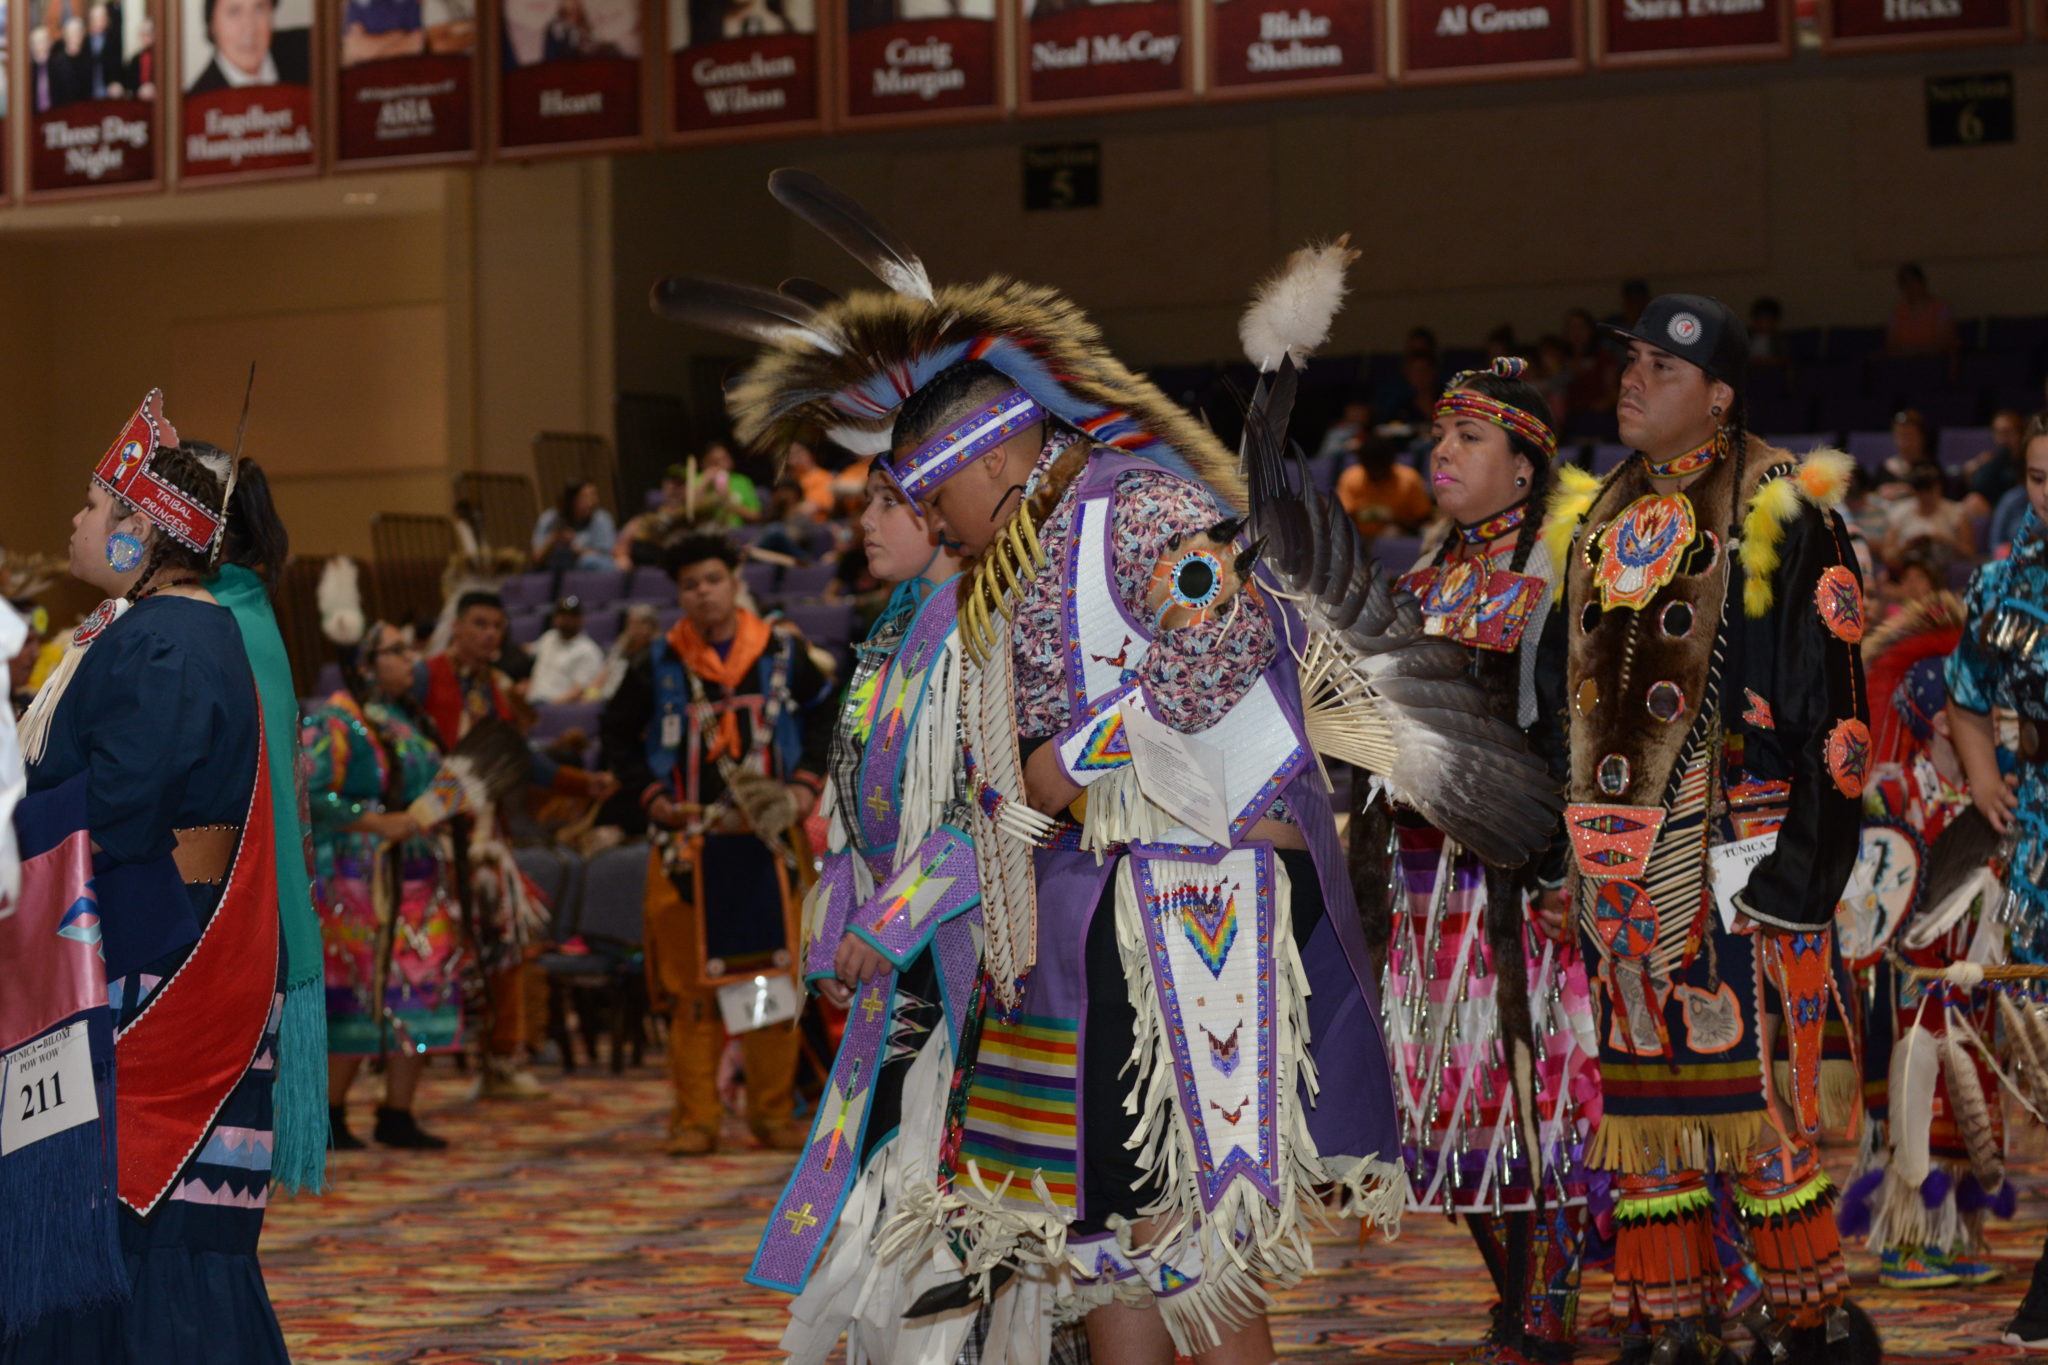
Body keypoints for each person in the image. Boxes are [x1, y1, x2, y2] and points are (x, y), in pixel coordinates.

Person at [650, 187, 1567, 1365]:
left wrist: (1068, 759)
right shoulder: (1021, 549)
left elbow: (1228, 632)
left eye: (933, 497)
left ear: (988, 459)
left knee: (1198, 1223)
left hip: (1192, 908)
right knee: (1092, 1231)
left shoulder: (1133, 511)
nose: (935, 523)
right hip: (1086, 911)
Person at [1546, 294, 1878, 1363]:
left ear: (1719, 394)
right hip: (1625, 868)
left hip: (1744, 857)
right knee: (1650, 1119)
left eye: (1660, 367)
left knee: (1761, 1115)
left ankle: (1807, 1324)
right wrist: (1562, 857)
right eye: (1627, 362)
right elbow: (1566, 700)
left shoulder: (1778, 505)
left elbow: (1836, 713)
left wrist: (1798, 874)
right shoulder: (1597, 514)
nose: (1630, 381)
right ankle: (1671, 1321)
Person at [3, 390, 301, 1360]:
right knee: (157, 1205)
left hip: (155, 942)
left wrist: (12, 826)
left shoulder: (165, 637)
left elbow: (124, 808)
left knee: (144, 1195)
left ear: (142, 531)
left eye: (94, 509)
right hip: (172, 925)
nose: (77, 526)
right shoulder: (184, 628)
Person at [1372, 359, 1596, 1364]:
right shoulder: (1409, 588)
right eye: (1438, 435)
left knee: (1530, 1094)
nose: (1444, 452)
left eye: (1468, 439)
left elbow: (1576, 739)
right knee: (1446, 1103)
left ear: (1522, 467)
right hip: (1420, 891)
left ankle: (1542, 1308)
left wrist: (1563, 869)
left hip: (1516, 885)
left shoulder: (1557, 578)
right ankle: (1514, 1295)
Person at [748, 464, 990, 1362]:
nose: (868, 521)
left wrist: (886, 925)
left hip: (960, 950)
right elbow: (854, 806)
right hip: (897, 956)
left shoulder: (979, 626)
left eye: (891, 502)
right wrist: (839, 928)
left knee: (936, 1164)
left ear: (943, 510)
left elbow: (984, 803)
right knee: (883, 1169)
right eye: (867, 502)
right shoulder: (887, 635)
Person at [600, 533, 834, 1156]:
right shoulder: (659, 662)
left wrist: (806, 785)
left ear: (734, 580)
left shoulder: (781, 652)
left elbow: (827, 715)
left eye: (711, 579)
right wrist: (648, 795)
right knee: (691, 990)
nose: (702, 593)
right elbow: (616, 736)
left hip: (763, 843)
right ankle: (696, 1119)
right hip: (688, 845)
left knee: (766, 984)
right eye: (689, 585)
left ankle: (768, 1112)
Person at [1840, 593, 2011, 1291]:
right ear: (1943, 717)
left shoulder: (1993, 795)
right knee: (1915, 1099)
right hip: (1910, 983)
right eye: (1983, 710)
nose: (1996, 722)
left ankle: (1953, 1234)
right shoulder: (1893, 789)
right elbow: (1869, 890)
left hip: (1972, 980)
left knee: (1969, 1104)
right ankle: (1909, 1237)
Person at [412, 590, 614, 1099]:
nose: (489, 634)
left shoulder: (497, 690)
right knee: (426, 947)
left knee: (504, 942)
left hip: (483, 836)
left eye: (497, 627)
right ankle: (401, 1055)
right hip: (425, 833)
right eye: (479, 623)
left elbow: (520, 759)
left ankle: (502, 1058)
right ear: (456, 627)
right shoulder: (424, 677)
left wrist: (578, 783)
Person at [305, 619, 464, 1151]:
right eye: (397, 651)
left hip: (417, 872)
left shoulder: (411, 721)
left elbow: (442, 786)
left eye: (411, 650)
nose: (412, 660)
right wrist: (375, 822)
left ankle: (398, 1112)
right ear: (367, 664)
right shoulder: (336, 722)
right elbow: (309, 791)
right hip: (355, 878)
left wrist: (440, 806)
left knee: (420, 985)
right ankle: (330, 1113)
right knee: (356, 989)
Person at [1957, 416, 2048, 1351]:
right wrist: (1982, 773)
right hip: (2044, 827)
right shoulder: (1999, 581)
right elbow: (1968, 693)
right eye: (2038, 477)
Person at [186, 0, 311, 91]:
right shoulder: (195, 105)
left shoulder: (312, 50)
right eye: (234, 11)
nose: (249, 28)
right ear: (212, 25)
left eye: (259, 8)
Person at [1336, 432, 1433, 540]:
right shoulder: (1351, 477)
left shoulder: (1409, 479)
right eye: (1371, 468)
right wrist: (1360, 515)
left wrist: (1394, 518)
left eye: (1380, 469)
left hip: (1398, 540)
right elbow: (1342, 518)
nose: (1376, 473)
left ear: (1390, 463)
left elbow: (1423, 519)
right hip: (1358, 539)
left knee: (1392, 532)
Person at [1881, 465, 1974, 568]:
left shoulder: (1957, 512)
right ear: (1913, 491)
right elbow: (1887, 555)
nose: (1925, 496)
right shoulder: (1898, 512)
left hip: (1946, 569)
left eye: (1929, 490)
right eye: (1920, 491)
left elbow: (1969, 554)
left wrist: (1946, 541)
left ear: (1938, 487)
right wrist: (1907, 546)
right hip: (1909, 570)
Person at [528, 594, 605, 702]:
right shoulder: (549, 637)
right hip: (531, 702)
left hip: (558, 707)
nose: (566, 619)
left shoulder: (588, 650)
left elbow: (580, 690)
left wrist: (551, 707)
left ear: (581, 618)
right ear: (555, 617)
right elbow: (529, 650)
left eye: (572, 615)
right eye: (562, 614)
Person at [531, 479, 618, 573]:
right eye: (585, 497)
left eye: (594, 496)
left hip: (589, 570)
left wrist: (574, 548)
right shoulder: (550, 519)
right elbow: (536, 558)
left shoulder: (601, 518)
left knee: (589, 562)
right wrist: (553, 540)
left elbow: (609, 555)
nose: (592, 502)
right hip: (555, 568)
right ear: (571, 501)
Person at [1963, 409, 2028, 519]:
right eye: (1998, 433)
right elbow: (1979, 487)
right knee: (1973, 501)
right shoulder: (1994, 460)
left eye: (2007, 432)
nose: (2003, 438)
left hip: (2021, 508)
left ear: (2020, 432)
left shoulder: (2029, 459)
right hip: (1997, 508)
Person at [1886, 263, 1959, 359]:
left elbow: (1944, 342)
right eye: (1905, 283)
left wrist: (1918, 351)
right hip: (1904, 362)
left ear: (1922, 282)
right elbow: (1891, 343)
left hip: (1935, 362)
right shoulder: (1897, 312)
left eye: (1913, 281)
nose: (1910, 287)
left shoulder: (1941, 309)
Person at [596, 602, 660, 700]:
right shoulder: (620, 647)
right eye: (631, 624)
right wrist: (590, 694)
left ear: (652, 627)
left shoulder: (657, 652)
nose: (634, 629)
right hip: (607, 700)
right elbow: (602, 675)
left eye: (640, 624)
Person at [785, 440, 835, 519]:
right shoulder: (787, 481)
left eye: (799, 452)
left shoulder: (823, 476)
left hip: (816, 524)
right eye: (790, 455)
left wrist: (792, 510)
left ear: (810, 452)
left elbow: (812, 508)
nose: (796, 457)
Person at [1748, 296, 1787, 366]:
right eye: (1760, 320)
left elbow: (1784, 359)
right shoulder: (1746, 336)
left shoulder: (1778, 339)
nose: (1763, 325)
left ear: (1774, 322)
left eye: (1767, 321)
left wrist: (1766, 361)